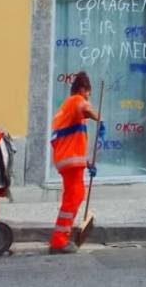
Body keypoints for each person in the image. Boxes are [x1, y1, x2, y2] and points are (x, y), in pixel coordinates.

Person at [48, 70, 103, 254]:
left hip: (68, 161)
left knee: (73, 196)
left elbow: (74, 141)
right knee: (75, 196)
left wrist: (88, 163)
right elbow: (85, 108)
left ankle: (61, 237)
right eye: (88, 92)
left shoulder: (66, 109)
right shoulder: (75, 101)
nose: (89, 97)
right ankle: (59, 242)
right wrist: (99, 119)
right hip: (70, 162)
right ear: (82, 89)